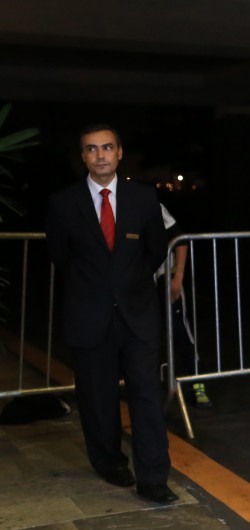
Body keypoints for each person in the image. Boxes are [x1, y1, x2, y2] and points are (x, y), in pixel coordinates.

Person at [45, 124, 178, 504]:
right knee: (97, 397)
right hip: (89, 315)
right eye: (91, 149)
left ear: (119, 153)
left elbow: (155, 250)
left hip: (138, 315)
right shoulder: (63, 203)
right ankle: (109, 463)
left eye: (107, 147)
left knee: (146, 395)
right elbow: (61, 257)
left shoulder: (143, 198)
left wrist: (127, 283)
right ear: (83, 156)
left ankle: (153, 479)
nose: (100, 155)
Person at [155, 203, 211, 408]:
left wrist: (177, 277)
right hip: (135, 283)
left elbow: (180, 239)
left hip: (164, 278)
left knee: (181, 332)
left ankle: (197, 384)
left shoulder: (152, 205)